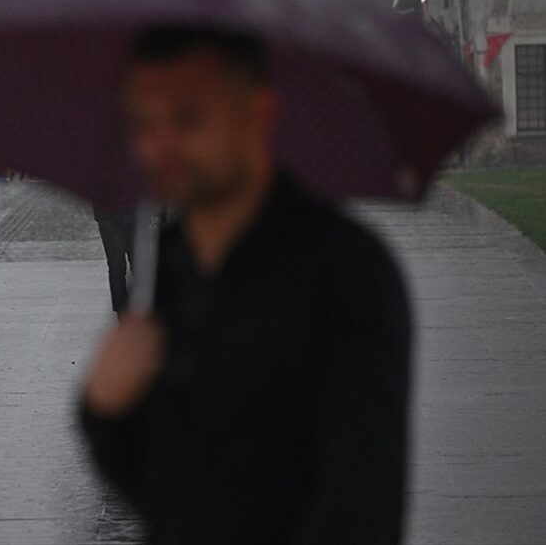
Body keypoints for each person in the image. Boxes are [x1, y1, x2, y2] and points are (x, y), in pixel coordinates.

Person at [80, 27, 412, 544]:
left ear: (257, 113)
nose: (159, 146)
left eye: (187, 118)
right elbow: (164, 488)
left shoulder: (347, 270)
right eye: (143, 123)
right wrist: (104, 409)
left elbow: (360, 505)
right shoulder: (171, 260)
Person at [92, 205, 135, 315]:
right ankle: (124, 308)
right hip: (112, 216)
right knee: (119, 266)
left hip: (118, 215)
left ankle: (125, 308)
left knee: (120, 266)